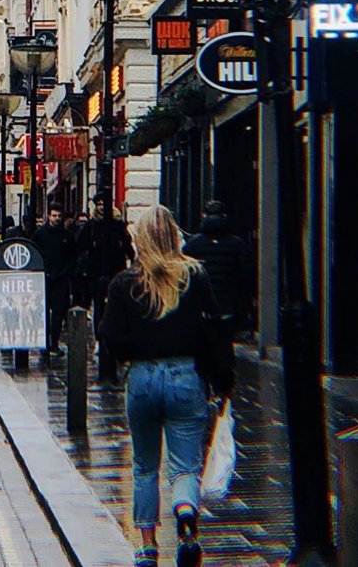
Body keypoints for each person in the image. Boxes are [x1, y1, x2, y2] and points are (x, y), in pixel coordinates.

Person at [100, 205, 228, 567]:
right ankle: (186, 518)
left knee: (144, 467)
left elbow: (109, 336)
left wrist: (127, 358)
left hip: (141, 379)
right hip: (186, 376)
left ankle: (146, 547)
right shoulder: (194, 276)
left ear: (139, 239)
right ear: (175, 235)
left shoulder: (125, 283)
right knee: (186, 465)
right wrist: (221, 381)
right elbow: (214, 330)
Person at [78, 194, 135, 382]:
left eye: (104, 203)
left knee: (116, 307)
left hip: (115, 270)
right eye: (99, 204)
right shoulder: (91, 225)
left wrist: (132, 260)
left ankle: (114, 339)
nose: (102, 207)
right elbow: (81, 244)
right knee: (98, 308)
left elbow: (127, 245)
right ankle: (99, 341)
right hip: (96, 272)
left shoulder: (118, 224)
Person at [183, 201, 251, 329]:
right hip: (229, 301)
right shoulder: (237, 244)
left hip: (202, 304)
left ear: (204, 216)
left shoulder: (193, 243)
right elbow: (245, 274)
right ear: (224, 216)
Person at [33, 202, 73, 352]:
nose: (56, 218)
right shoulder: (40, 235)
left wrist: (67, 271)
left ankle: (54, 342)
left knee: (58, 311)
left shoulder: (66, 235)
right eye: (54, 215)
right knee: (43, 310)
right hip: (44, 277)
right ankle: (44, 340)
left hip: (61, 278)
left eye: (59, 216)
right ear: (49, 216)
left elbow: (72, 255)